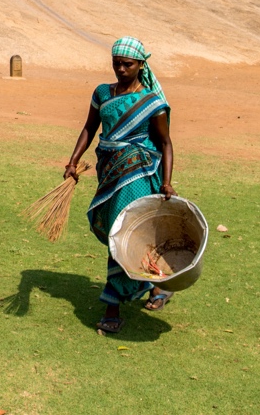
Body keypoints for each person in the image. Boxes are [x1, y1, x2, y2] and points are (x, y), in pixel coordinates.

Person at [62, 36, 176, 335]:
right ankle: (155, 285)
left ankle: (112, 305)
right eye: (116, 64)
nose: (121, 69)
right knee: (129, 234)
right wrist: (72, 162)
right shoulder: (102, 93)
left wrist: (166, 182)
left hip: (138, 175)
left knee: (121, 233)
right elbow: (89, 128)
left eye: (127, 64)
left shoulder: (152, 102)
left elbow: (165, 143)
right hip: (110, 173)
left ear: (141, 65)